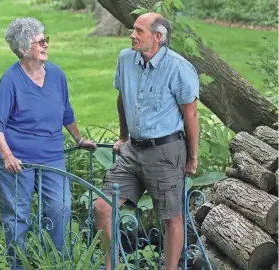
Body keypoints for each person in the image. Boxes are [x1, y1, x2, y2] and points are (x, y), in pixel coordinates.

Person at [0, 17, 97, 269]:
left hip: (51, 153)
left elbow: (65, 111)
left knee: (60, 207)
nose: (46, 45)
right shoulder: (10, 81)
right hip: (16, 159)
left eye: (46, 39)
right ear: (24, 49)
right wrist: (7, 156)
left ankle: (53, 262)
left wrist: (79, 139)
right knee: (17, 217)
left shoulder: (56, 74)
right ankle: (19, 264)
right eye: (40, 42)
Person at [94, 13, 199, 270]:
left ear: (157, 37)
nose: (132, 34)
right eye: (134, 29)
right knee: (102, 208)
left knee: (172, 219)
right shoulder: (125, 59)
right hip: (133, 150)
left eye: (139, 31)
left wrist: (192, 157)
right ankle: (111, 265)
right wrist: (123, 137)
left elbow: (191, 114)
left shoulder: (178, 68)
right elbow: (122, 99)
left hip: (165, 150)